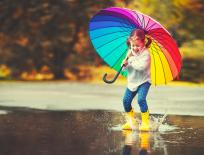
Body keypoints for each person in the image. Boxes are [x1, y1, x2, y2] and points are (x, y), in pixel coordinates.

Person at [122, 29, 152, 131]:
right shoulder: (129, 53)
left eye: (137, 46)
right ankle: (131, 122)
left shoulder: (146, 54)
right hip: (132, 82)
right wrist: (124, 64)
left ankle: (145, 123)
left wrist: (129, 60)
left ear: (143, 43)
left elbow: (141, 67)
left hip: (144, 81)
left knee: (141, 100)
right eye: (132, 45)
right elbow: (124, 69)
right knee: (126, 101)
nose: (135, 48)